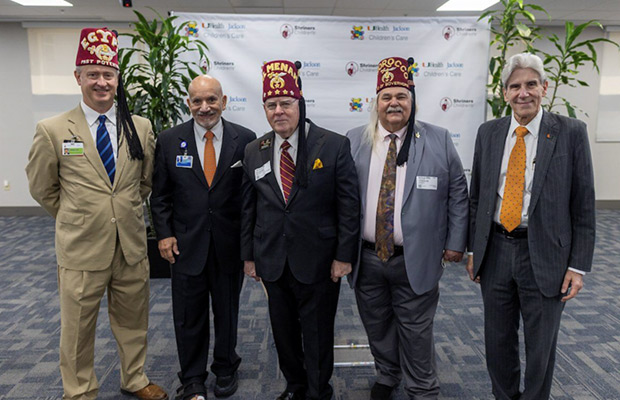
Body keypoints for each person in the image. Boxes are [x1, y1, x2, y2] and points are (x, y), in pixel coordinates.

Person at [25, 28, 167, 400]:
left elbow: (145, 182)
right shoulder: (53, 130)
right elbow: (42, 187)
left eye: (107, 74)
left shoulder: (140, 127)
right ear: (78, 77)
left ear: (117, 78)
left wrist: (120, 209)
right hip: (81, 247)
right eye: (92, 74)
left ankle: (134, 378)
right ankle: (80, 390)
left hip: (131, 245)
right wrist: (79, 214)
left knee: (133, 320)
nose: (101, 82)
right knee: (77, 328)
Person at [467, 52, 595, 400]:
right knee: (497, 340)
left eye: (531, 85)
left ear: (545, 88)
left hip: (546, 255)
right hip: (495, 251)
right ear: (504, 92)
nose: (523, 93)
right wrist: (473, 250)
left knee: (541, 346)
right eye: (515, 86)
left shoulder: (570, 133)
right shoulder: (489, 133)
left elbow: (583, 205)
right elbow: (477, 195)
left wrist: (577, 267)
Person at [346, 56, 468, 400]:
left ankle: (422, 388)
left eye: (401, 96)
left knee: (416, 331)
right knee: (377, 325)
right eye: (386, 97)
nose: (394, 103)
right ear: (377, 103)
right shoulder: (354, 140)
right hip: (367, 257)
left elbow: (458, 192)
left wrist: (456, 241)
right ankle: (387, 375)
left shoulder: (438, 139)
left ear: (412, 101)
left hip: (417, 256)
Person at [240, 60, 360, 400]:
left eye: (286, 104)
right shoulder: (254, 150)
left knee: (318, 331)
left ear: (300, 102)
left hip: (320, 261)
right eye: (271, 105)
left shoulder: (333, 145)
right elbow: (249, 209)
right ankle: (295, 386)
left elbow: (348, 206)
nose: (279, 112)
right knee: (284, 332)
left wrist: (343, 256)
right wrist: (248, 257)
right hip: (273, 260)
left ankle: (318, 390)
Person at [150, 75, 256, 400]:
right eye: (197, 100)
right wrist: (164, 234)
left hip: (228, 245)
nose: (204, 107)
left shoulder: (246, 140)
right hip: (185, 245)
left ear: (223, 102)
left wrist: (249, 244)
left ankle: (225, 367)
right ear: (188, 103)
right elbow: (160, 195)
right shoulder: (170, 140)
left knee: (227, 311)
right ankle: (192, 377)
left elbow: (250, 198)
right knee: (188, 316)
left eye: (211, 99)